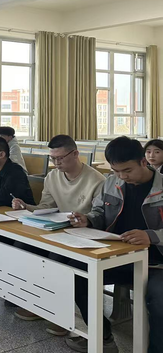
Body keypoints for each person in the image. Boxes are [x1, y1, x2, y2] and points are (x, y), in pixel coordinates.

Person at [67, 137, 163, 353]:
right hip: (118, 256)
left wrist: (151, 236)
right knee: (76, 274)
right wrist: (88, 219)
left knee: (160, 300)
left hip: (156, 263)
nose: (122, 176)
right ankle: (103, 337)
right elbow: (100, 211)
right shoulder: (112, 183)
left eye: (127, 170)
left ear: (143, 162)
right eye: (116, 171)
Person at [11, 134, 105, 329]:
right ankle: (37, 301)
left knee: (55, 258)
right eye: (53, 158)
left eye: (60, 158)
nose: (56, 163)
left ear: (75, 154)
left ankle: (59, 313)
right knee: (23, 246)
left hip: (84, 234)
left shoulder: (97, 180)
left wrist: (85, 219)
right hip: (58, 229)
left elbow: (100, 215)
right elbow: (46, 206)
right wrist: (26, 207)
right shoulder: (52, 176)